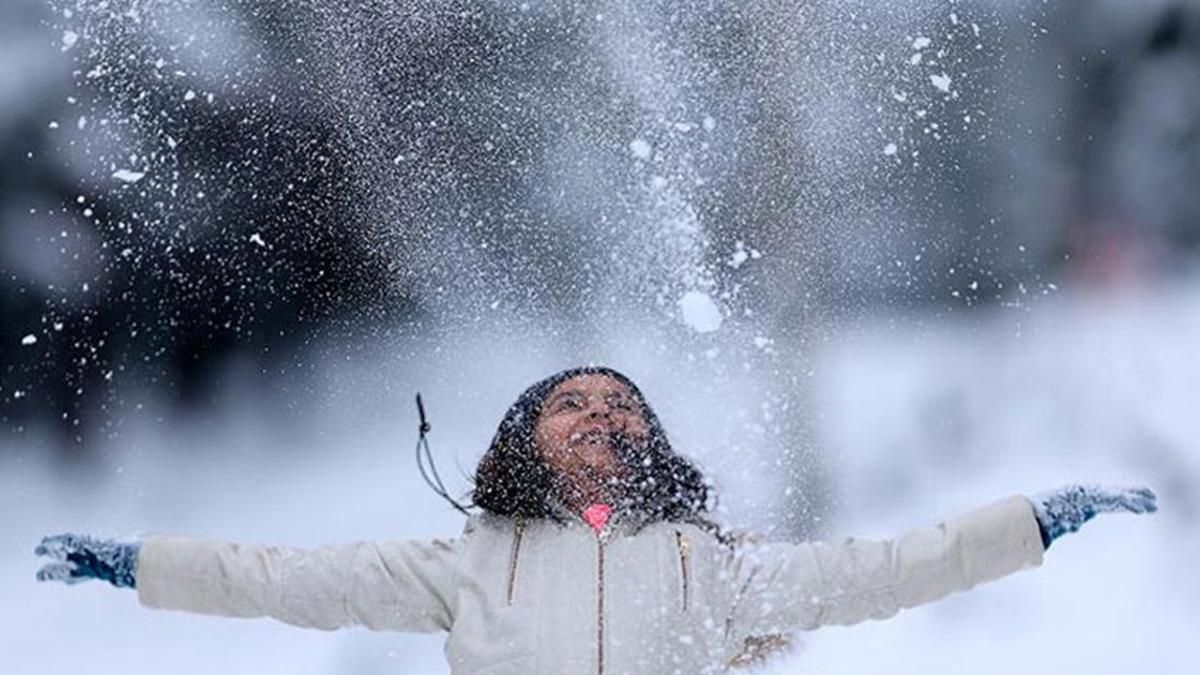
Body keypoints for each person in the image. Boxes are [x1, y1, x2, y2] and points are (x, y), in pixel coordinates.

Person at [35, 366, 1158, 674]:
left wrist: (1035, 521)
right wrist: (137, 564)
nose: (600, 414)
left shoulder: (715, 571)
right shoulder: (464, 564)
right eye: (570, 402)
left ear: (651, 444)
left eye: (623, 405)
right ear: (524, 438)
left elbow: (894, 569)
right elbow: (277, 577)